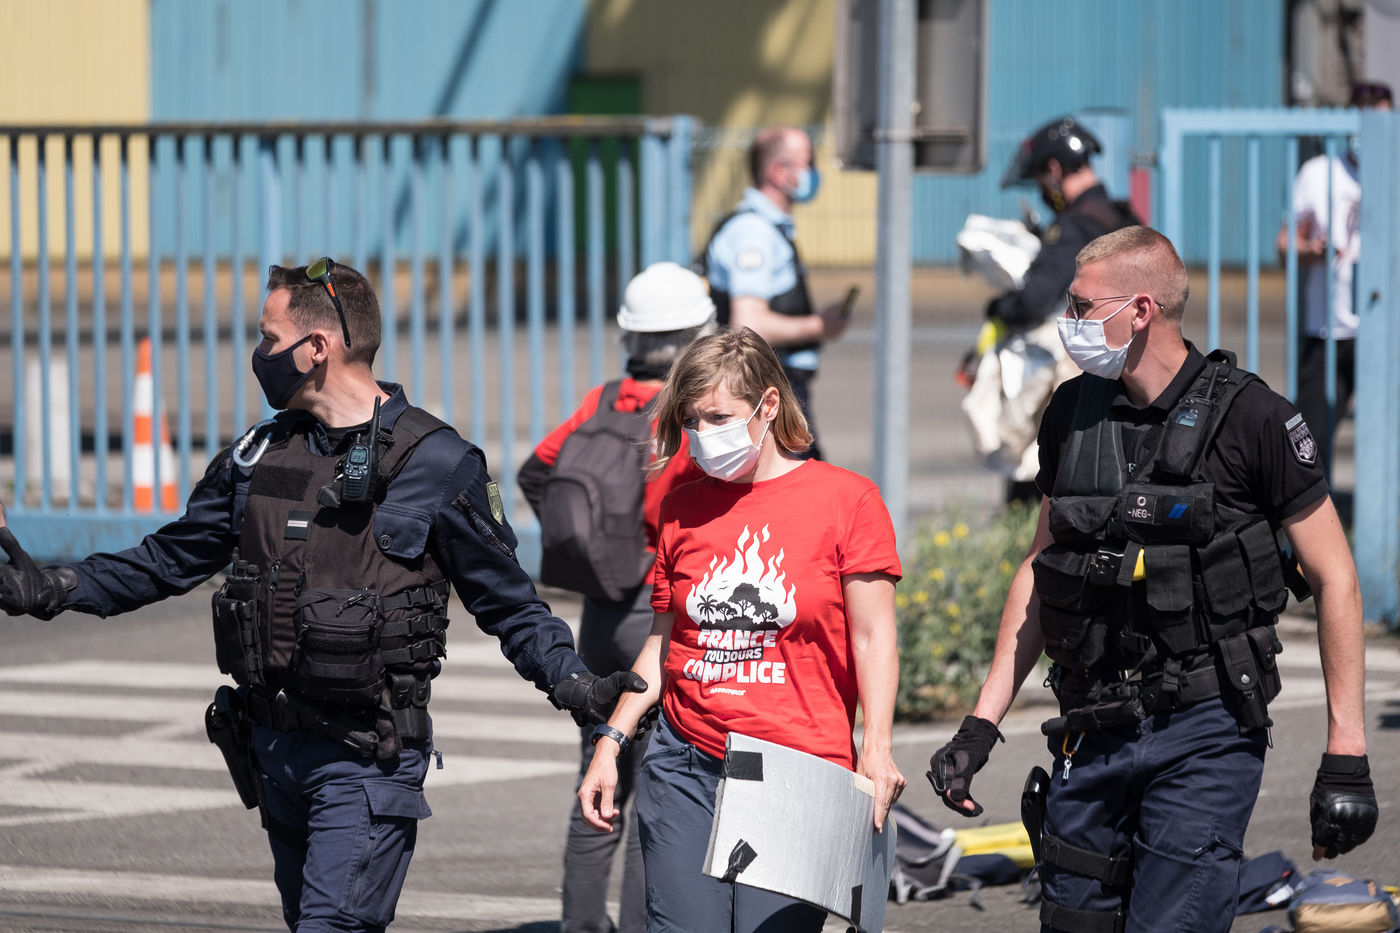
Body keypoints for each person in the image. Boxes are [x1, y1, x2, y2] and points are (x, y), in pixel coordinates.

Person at [0, 258, 642, 933]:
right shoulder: (258, 456)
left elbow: (510, 604)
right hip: (274, 752)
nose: (259, 353)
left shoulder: (437, 462)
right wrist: (51, 587)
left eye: (268, 337)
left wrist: (574, 684)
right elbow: (167, 559)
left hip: (366, 760)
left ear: (316, 347)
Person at [929, 226, 1376, 933]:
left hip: (1206, 725)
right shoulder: (1072, 412)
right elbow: (1040, 568)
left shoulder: (1255, 418)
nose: (1068, 321)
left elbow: (1335, 577)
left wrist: (1345, 751)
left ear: (1141, 310)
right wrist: (980, 726)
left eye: (1082, 306)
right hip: (1091, 723)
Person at [576, 328, 906, 933]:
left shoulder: (848, 501)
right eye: (691, 420)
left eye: (719, 417)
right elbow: (663, 642)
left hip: (797, 771)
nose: (702, 434)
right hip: (686, 765)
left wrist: (877, 748)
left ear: (769, 405)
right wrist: (611, 741)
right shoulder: (681, 507)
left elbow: (872, 638)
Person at [518, 261, 714, 933]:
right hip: (657, 615)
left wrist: (594, 552)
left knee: (598, 771)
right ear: (698, 332)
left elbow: (537, 471)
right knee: (657, 788)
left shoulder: (602, 400)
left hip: (599, 615)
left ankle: (579, 924)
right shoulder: (689, 412)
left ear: (631, 334)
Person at [984, 115, 1140, 503]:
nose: (1042, 190)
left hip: (1085, 381)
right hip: (1131, 372)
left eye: (1040, 179)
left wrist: (1000, 307)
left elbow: (1033, 301)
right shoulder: (1121, 219)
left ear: (1054, 169)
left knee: (1044, 471)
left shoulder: (1074, 227)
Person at [702, 126, 850, 459]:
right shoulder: (754, 233)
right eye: (808, 162)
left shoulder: (767, 227)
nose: (814, 172)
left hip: (777, 387)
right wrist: (820, 326)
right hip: (767, 389)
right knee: (805, 482)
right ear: (778, 171)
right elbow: (747, 324)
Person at [1276, 80, 1393, 465]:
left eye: (1381, 122)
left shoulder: (1394, 173)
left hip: (1385, 332)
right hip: (1328, 330)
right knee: (1308, 444)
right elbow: (1285, 244)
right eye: (1364, 122)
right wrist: (1313, 250)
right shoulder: (1319, 172)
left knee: (1386, 440)